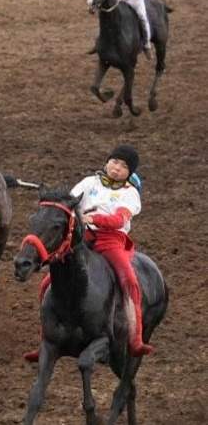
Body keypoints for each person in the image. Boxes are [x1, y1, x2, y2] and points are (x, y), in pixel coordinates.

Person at [75, 145, 153, 355]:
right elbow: (70, 201)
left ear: (130, 173)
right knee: (50, 281)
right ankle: (45, 338)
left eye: (123, 166)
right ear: (107, 161)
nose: (116, 168)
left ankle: (135, 338)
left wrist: (93, 218)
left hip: (111, 240)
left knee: (129, 280)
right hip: (82, 238)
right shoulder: (89, 182)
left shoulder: (130, 194)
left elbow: (119, 220)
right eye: (114, 162)